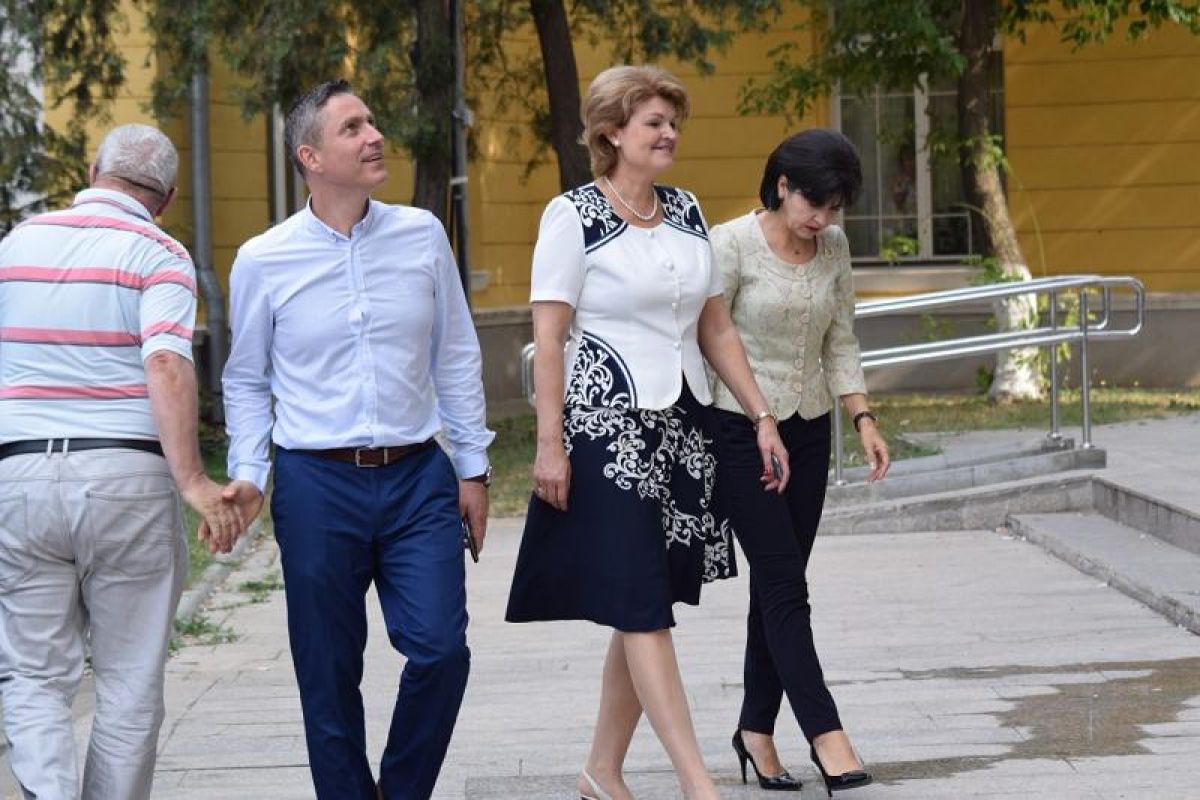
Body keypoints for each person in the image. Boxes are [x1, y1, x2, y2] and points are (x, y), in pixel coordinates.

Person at [505, 65, 791, 800]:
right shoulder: (572, 215)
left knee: (645, 601)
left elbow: (716, 328)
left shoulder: (688, 211)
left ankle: (601, 771)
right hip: (607, 431)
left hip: (684, 429)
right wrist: (548, 444)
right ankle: (700, 784)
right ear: (611, 132)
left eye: (673, 122)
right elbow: (550, 336)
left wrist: (760, 415)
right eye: (653, 122)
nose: (669, 134)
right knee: (641, 604)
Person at [221, 79, 494, 800]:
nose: (374, 136)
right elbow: (245, 379)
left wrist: (473, 469)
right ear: (310, 157)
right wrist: (249, 472)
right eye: (352, 128)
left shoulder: (422, 235)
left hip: (416, 477)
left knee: (441, 650)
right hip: (316, 484)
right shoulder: (263, 259)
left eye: (371, 121)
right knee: (328, 670)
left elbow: (455, 354)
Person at [0, 123, 248, 799]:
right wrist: (193, 480)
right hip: (125, 478)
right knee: (128, 681)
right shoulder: (159, 254)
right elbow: (165, 360)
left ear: (92, 172)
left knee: (32, 675)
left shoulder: (17, 245)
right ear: (166, 198)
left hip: (20, 475)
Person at [708, 129, 890, 796]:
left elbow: (841, 337)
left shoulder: (833, 247)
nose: (824, 219)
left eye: (836, 207)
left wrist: (862, 418)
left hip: (810, 431)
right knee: (786, 585)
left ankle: (755, 731)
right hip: (741, 432)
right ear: (782, 186)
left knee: (776, 585)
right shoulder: (730, 244)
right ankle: (825, 732)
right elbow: (711, 337)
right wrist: (759, 415)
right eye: (816, 203)